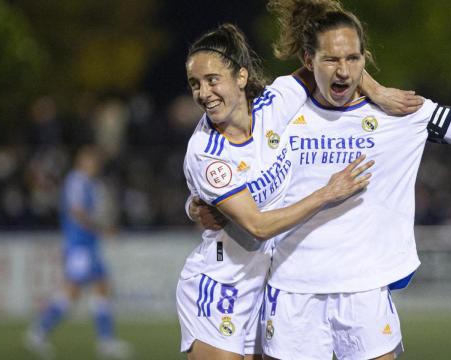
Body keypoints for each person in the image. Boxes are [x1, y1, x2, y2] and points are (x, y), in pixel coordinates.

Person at [194, 1, 451, 358]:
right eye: (330, 59)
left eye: (352, 58)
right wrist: (200, 203)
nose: (343, 70)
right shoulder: (279, 106)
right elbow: (229, 154)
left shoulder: (404, 115)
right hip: (292, 291)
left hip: (365, 290)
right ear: (308, 59)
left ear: (365, 59)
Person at [177, 23, 419, 360]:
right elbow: (258, 226)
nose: (204, 93)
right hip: (223, 284)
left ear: (241, 78)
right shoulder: (207, 153)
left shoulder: (274, 107)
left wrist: (375, 90)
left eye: (212, 80)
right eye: (195, 84)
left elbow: (326, 67)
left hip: (266, 284)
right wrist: (326, 193)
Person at [24, 145, 132, 360]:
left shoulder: (89, 183)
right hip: (79, 245)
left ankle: (106, 341)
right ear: (82, 161)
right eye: (92, 161)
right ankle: (38, 331)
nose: (96, 165)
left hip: (89, 244)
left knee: (102, 287)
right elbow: (77, 211)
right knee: (71, 291)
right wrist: (102, 228)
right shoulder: (77, 180)